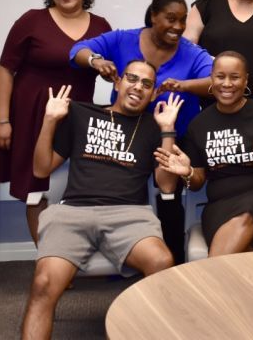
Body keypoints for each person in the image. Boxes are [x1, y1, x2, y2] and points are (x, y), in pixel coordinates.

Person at [21, 61, 183, 340]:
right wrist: (49, 120)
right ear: (118, 82)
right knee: (43, 283)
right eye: (132, 78)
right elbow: (41, 169)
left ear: (153, 93)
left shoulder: (154, 127)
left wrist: (168, 129)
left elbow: (166, 185)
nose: (138, 87)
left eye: (146, 84)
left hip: (130, 214)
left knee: (161, 261)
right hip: (73, 213)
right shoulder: (81, 114)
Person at [70, 0, 214, 262]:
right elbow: (77, 50)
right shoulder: (123, 39)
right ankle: (128, 249)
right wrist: (96, 61)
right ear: (153, 16)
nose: (178, 27)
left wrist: (183, 85)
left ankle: (171, 261)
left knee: (168, 193)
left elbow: (215, 81)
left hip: (172, 135)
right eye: (170, 18)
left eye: (183, 20)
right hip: (128, 134)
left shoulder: (190, 52)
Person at [0, 0, 111, 243]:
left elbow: (111, 72)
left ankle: (71, 253)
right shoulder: (31, 20)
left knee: (76, 188)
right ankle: (46, 256)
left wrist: (110, 70)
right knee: (36, 191)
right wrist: (2, 119)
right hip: (31, 116)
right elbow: (6, 69)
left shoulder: (101, 25)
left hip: (77, 118)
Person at [155, 51, 253, 256]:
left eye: (235, 77)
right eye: (220, 76)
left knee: (247, 215)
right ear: (212, 78)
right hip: (219, 207)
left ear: (246, 79)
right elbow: (197, 184)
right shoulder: (199, 124)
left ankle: (208, 278)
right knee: (243, 249)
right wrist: (187, 173)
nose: (227, 84)